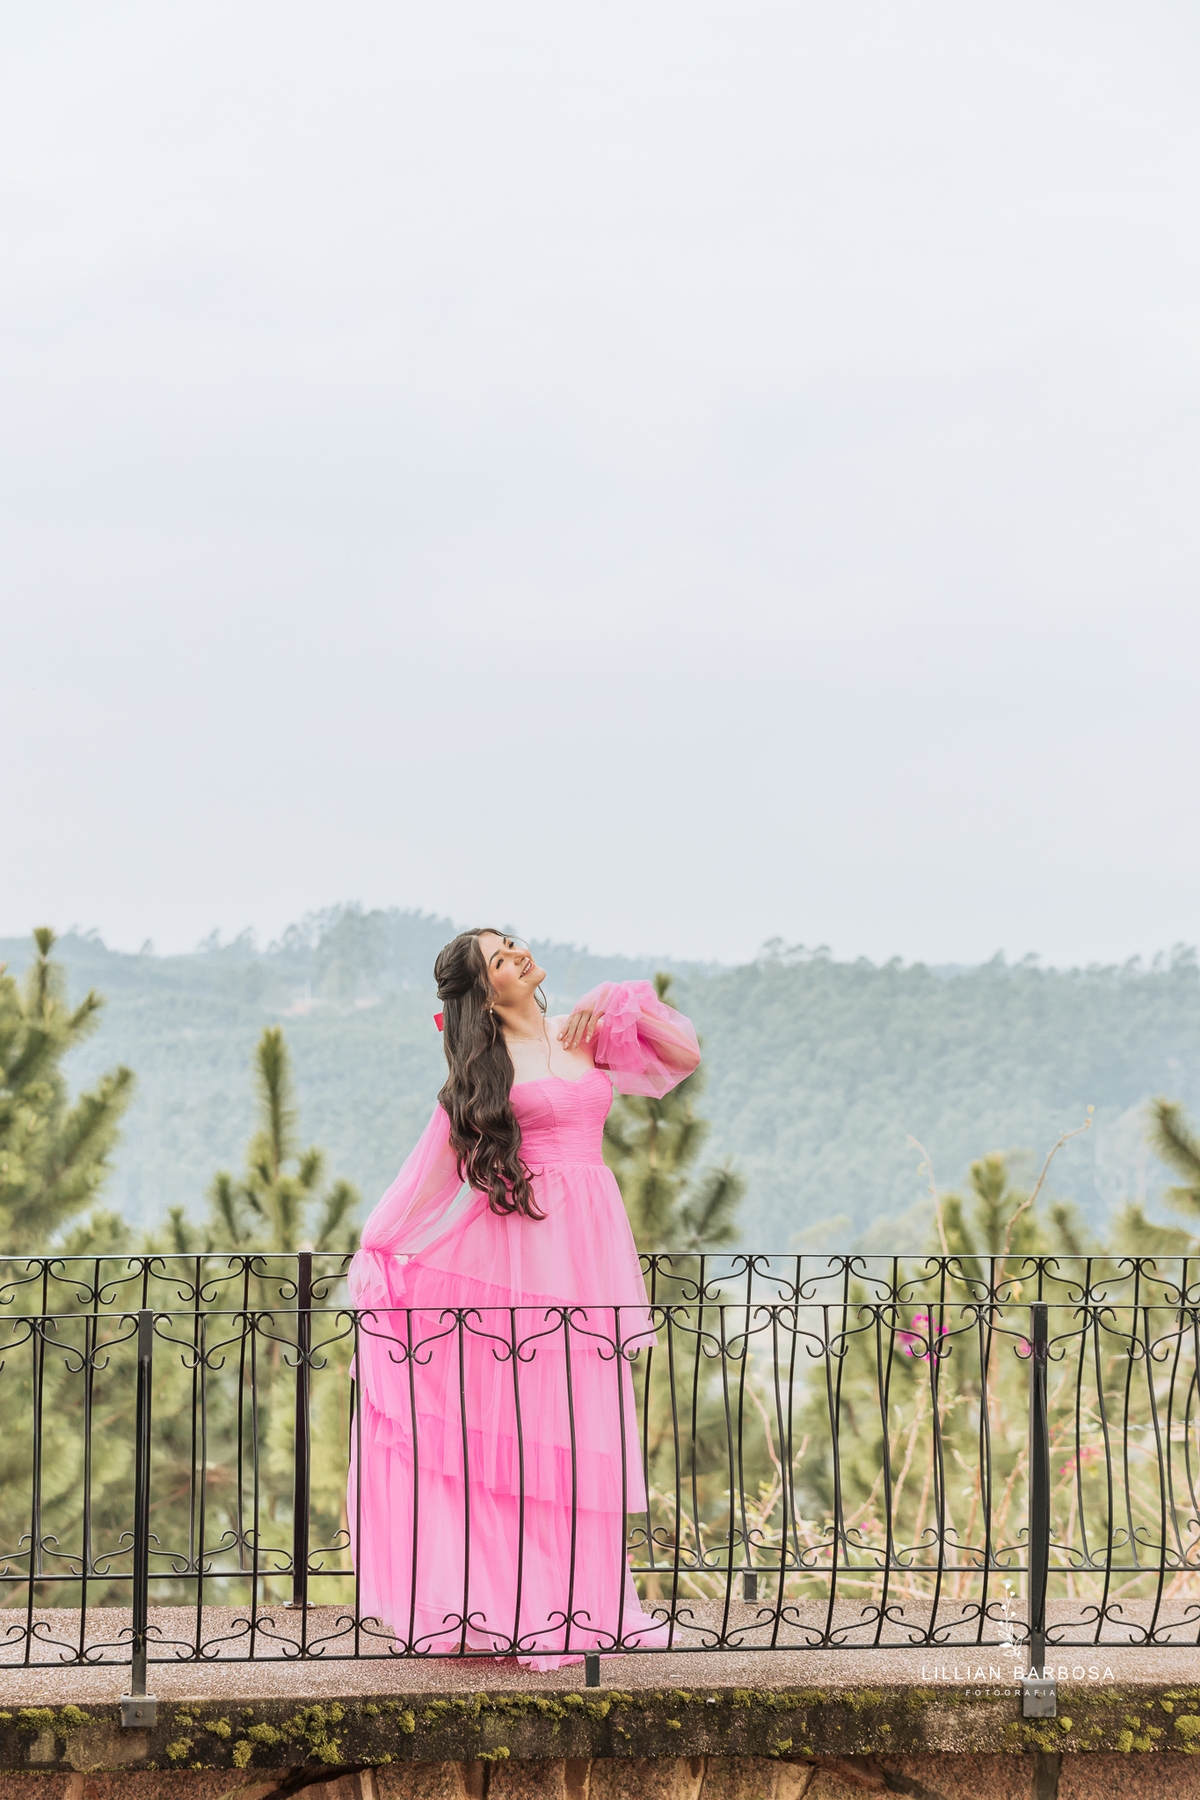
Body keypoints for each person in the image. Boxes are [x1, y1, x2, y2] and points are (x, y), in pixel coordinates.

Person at [346, 928, 701, 1669]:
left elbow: (681, 1057)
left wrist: (610, 1001)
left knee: (584, 1423)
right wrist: (381, 1256)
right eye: (499, 958)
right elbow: (424, 1182)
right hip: (521, 1256)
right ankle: (520, 1601)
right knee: (524, 1434)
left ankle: (596, 1603)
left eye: (512, 943)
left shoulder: (584, 1031)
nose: (516, 956)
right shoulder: (483, 1073)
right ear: (485, 988)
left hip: (591, 1251)